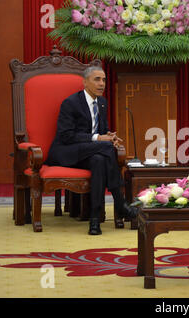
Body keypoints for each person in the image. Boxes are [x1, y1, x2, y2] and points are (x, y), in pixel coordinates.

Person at [46, 66, 139, 235]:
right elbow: (66, 136)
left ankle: (94, 220)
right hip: (66, 151)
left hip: (90, 153)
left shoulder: (102, 103)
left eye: (103, 80)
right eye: (97, 79)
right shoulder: (71, 103)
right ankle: (120, 202)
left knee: (99, 160)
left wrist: (109, 136)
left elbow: (101, 130)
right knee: (105, 148)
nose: (102, 84)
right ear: (85, 82)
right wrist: (99, 139)